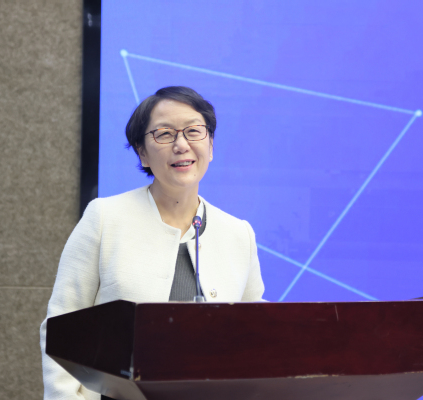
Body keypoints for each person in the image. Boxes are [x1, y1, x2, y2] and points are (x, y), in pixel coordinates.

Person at [39, 86, 265, 400]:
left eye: (193, 131)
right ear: (142, 153)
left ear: (211, 145)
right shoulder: (105, 217)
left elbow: (256, 335)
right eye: (164, 134)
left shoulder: (239, 233)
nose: (181, 145)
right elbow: (63, 324)